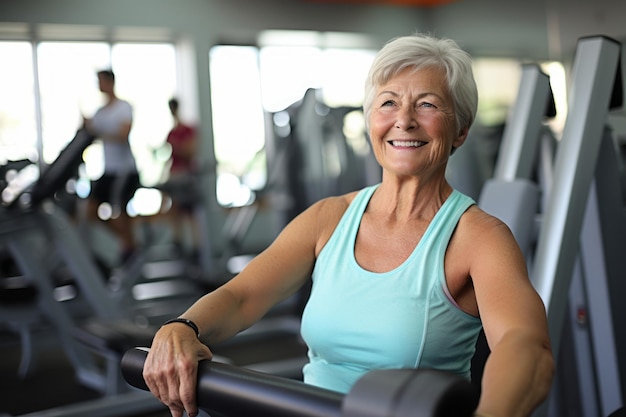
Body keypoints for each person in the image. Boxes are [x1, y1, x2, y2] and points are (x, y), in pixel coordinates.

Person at [142, 33, 554, 417]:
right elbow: (242, 295)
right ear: (371, 120)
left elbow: (524, 347)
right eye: (388, 103)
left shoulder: (478, 237)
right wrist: (183, 326)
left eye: (427, 104)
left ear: (460, 130)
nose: (404, 120)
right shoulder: (329, 218)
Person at [83, 69, 139, 264]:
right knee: (90, 209)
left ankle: (129, 246)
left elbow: (123, 135)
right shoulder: (99, 112)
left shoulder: (124, 107)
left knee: (119, 211)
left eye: (100, 81)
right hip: (108, 170)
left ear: (110, 82)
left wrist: (98, 134)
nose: (98, 85)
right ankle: (128, 242)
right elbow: (88, 131)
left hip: (125, 170)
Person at [161, 97, 199, 257]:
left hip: (186, 175)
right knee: (174, 209)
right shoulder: (171, 133)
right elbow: (170, 157)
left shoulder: (187, 129)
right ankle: (178, 242)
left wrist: (178, 147)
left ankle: (197, 247)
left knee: (189, 212)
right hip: (175, 174)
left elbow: (190, 152)